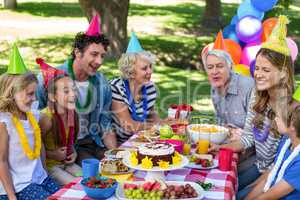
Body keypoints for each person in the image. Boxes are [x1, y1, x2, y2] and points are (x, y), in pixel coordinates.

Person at [208, 16, 295, 199]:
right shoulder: (258, 96)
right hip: (260, 166)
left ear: (283, 74)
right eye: (257, 68)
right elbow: (248, 137)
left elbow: (284, 163)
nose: (258, 75)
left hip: (275, 175)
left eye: (266, 70)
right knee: (218, 183)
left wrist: (258, 185)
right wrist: (224, 148)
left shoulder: (291, 110)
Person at [36, 14, 117, 165]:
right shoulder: (49, 80)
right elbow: (34, 124)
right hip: (66, 147)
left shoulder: (102, 83)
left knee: (119, 164)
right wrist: (50, 153)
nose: (99, 61)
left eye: (102, 56)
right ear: (77, 53)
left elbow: (105, 123)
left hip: (94, 141)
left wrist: (115, 153)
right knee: (99, 172)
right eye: (94, 54)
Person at [0, 44, 59, 200]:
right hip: (19, 186)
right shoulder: (4, 122)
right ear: (12, 93)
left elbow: (39, 146)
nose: (34, 99)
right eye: (30, 94)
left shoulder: (31, 113)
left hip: (39, 178)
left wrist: (45, 174)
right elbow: (2, 161)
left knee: (65, 195)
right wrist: (12, 196)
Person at [203, 31, 255, 170]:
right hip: (227, 148)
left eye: (220, 66)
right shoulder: (215, 86)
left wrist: (236, 133)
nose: (214, 71)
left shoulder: (248, 87)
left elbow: (257, 134)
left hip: (251, 157)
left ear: (230, 66)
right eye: (210, 67)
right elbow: (221, 123)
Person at [110, 32, 174, 144]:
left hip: (141, 141)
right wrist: (158, 125)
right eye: (144, 68)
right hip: (119, 145)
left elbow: (153, 118)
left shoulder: (149, 88)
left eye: (150, 66)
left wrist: (166, 122)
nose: (150, 71)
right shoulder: (117, 88)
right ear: (131, 72)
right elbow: (129, 126)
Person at [245, 94, 300, 200]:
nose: (275, 119)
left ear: (292, 125)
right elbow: (271, 174)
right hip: (268, 189)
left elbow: (271, 196)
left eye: (278, 117)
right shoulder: (286, 140)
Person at [36, 58, 82, 185]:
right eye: (66, 91)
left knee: (87, 179)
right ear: (53, 97)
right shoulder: (46, 118)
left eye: (74, 89)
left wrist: (74, 152)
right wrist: (52, 155)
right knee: (75, 185)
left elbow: (69, 141)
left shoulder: (71, 113)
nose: (73, 94)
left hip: (67, 163)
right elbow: (37, 146)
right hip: (50, 167)